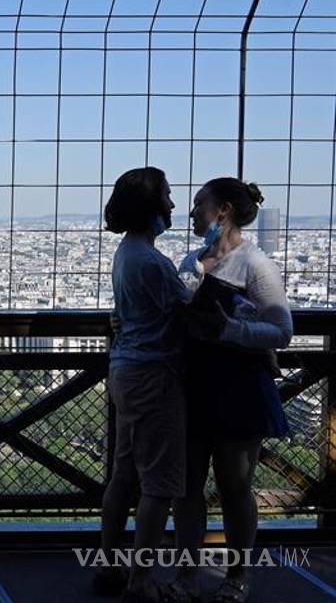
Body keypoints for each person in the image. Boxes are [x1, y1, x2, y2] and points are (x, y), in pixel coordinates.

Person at [171, 179, 292, 603]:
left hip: (229, 386)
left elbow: (283, 332)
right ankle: (213, 577)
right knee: (199, 488)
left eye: (198, 204)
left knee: (229, 487)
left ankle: (226, 576)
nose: (191, 213)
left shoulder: (255, 265)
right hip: (208, 383)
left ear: (222, 211)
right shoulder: (199, 259)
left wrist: (227, 328)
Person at [96, 167, 191, 603]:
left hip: (125, 370)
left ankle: (110, 565)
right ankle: (141, 582)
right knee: (158, 485)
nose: (173, 205)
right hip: (155, 375)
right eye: (168, 197)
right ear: (151, 207)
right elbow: (191, 317)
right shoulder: (152, 262)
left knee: (123, 474)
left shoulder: (126, 252)